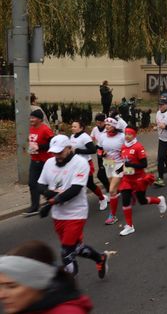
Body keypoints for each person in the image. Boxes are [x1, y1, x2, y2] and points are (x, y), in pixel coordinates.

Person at [37, 135, 108, 279]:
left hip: (76, 213)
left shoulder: (80, 163)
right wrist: (47, 192)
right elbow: (39, 184)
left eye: (60, 152)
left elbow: (74, 190)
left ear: (69, 148)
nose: (57, 155)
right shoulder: (50, 162)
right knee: (76, 248)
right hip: (58, 214)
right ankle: (100, 258)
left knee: (66, 252)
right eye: (54, 152)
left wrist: (50, 203)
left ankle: (68, 288)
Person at [0, 240, 93, 313]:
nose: (1, 295)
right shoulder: (24, 307)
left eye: (12, 286)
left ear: (37, 283)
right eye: (1, 286)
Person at [116, 127, 167, 236]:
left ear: (134, 135)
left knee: (142, 201)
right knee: (125, 200)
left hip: (139, 179)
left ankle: (159, 200)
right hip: (127, 179)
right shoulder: (124, 146)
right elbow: (125, 162)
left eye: (130, 134)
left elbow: (144, 165)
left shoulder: (138, 147)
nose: (127, 136)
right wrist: (120, 170)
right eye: (126, 134)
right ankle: (129, 226)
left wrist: (132, 165)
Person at [69, 120, 107, 211]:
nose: (72, 128)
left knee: (89, 184)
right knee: (74, 184)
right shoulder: (72, 136)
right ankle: (77, 203)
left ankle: (102, 198)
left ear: (81, 128)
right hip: (75, 164)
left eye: (75, 127)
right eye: (72, 126)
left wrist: (78, 151)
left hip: (86, 164)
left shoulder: (85, 137)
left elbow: (93, 150)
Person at [25, 110, 54, 216]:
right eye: (30, 117)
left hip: (45, 161)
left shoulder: (45, 129)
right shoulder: (31, 128)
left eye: (33, 118)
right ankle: (34, 206)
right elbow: (33, 141)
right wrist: (31, 147)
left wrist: (40, 147)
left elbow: (53, 143)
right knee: (32, 183)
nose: (31, 119)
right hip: (34, 160)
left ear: (40, 119)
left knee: (46, 184)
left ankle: (52, 197)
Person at [97, 118, 125, 225]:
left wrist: (125, 159)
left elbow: (128, 148)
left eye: (109, 125)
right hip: (108, 163)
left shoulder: (122, 136)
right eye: (106, 124)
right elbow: (99, 148)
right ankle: (127, 192)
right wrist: (101, 154)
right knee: (114, 189)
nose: (107, 126)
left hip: (119, 164)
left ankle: (112, 216)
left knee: (112, 190)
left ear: (114, 126)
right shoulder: (103, 136)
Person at [90, 113, 110, 193]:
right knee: (102, 173)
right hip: (99, 150)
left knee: (107, 172)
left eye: (100, 122)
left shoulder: (108, 128)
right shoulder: (95, 129)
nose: (98, 124)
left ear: (104, 122)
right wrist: (92, 146)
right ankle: (109, 189)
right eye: (97, 122)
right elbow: (91, 138)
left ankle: (111, 189)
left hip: (108, 152)